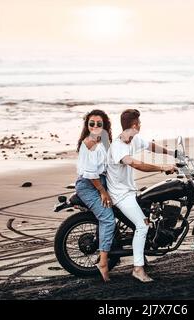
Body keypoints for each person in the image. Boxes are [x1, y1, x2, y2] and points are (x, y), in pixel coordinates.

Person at [106, 109, 176, 282]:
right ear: (135, 125)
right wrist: (162, 167)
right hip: (120, 194)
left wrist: (172, 153)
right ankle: (138, 269)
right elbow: (136, 164)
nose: (141, 124)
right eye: (139, 122)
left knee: (150, 210)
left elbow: (150, 146)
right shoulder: (118, 146)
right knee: (143, 225)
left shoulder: (133, 138)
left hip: (130, 190)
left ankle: (142, 253)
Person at [75, 109, 115, 282]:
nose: (95, 126)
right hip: (90, 185)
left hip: (102, 182)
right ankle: (103, 262)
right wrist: (103, 192)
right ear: (87, 125)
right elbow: (91, 174)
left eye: (99, 123)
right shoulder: (90, 143)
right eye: (92, 123)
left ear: (104, 125)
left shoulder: (103, 139)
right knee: (107, 218)